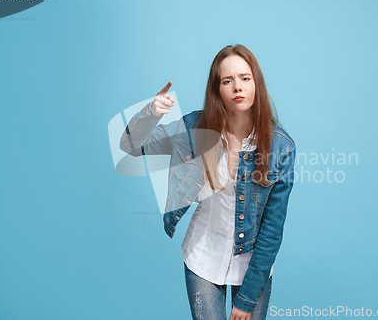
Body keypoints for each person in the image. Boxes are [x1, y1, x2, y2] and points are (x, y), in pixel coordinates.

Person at [119, 44, 296, 320]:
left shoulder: (281, 148)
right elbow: (131, 145)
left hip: (253, 267)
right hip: (203, 255)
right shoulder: (194, 128)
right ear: (218, 90)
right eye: (228, 81)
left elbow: (272, 230)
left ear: (256, 84)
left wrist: (247, 299)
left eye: (245, 78)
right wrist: (151, 113)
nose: (237, 87)